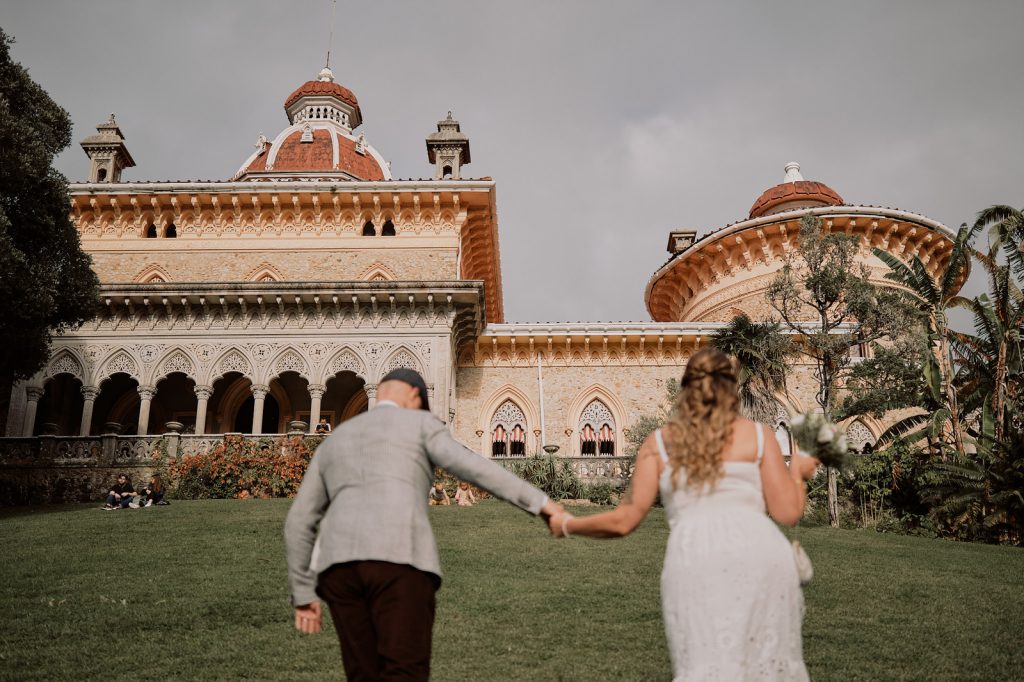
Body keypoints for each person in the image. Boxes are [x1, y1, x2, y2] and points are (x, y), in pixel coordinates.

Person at [549, 348, 819, 681]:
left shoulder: (659, 444)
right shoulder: (760, 437)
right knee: (763, 666)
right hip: (761, 554)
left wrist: (567, 523)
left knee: (704, 666)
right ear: (731, 389)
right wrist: (799, 474)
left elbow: (623, 521)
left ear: (686, 388)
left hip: (695, 558)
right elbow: (788, 511)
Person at [285, 367, 562, 681]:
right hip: (400, 560)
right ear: (414, 395)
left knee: (362, 673)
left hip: (339, 570)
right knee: (405, 670)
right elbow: (474, 467)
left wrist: (304, 594)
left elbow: (299, 521)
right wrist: (540, 503)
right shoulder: (421, 423)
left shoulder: (337, 438)